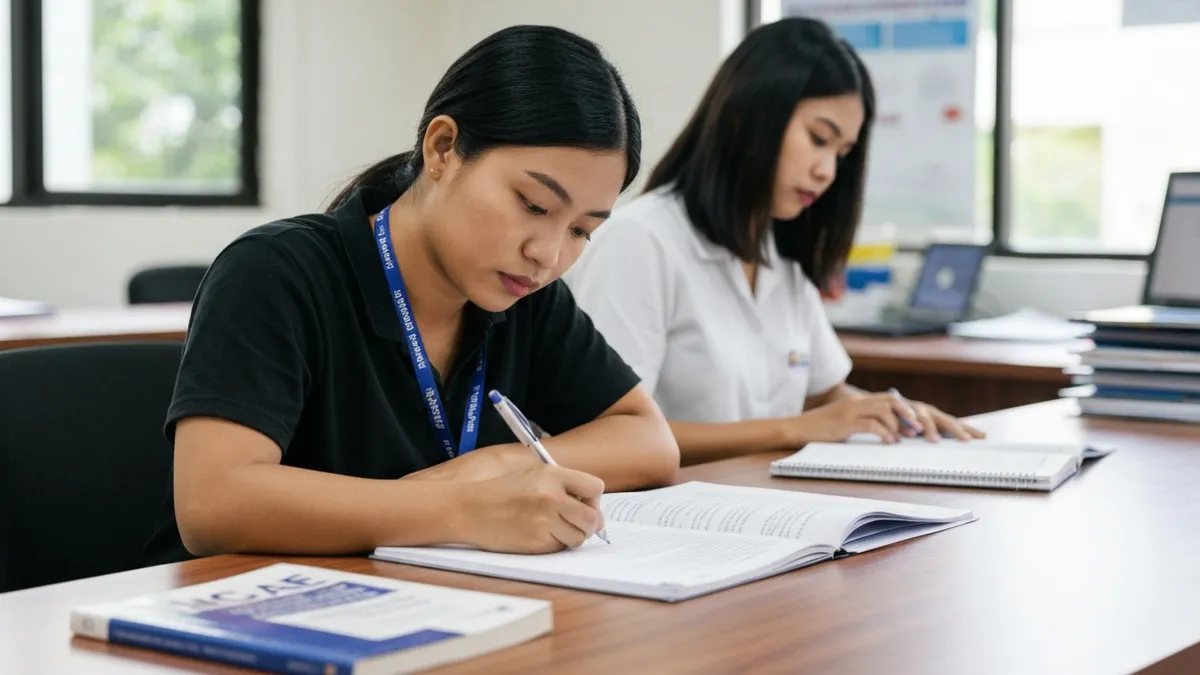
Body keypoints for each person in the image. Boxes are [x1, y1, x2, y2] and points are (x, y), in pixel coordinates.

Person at [142, 25, 680, 565]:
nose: (548, 254)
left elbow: (649, 441)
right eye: (534, 205)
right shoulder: (277, 270)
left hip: (414, 599)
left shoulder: (524, 296)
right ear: (443, 148)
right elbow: (212, 505)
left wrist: (493, 466)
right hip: (238, 611)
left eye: (581, 231)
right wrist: (462, 507)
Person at [564, 17, 983, 466]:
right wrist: (793, 429)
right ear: (747, 116)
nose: (827, 171)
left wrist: (896, 413)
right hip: (673, 513)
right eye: (818, 139)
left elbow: (826, 395)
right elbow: (612, 434)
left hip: (769, 505)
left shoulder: (778, 253)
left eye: (841, 154)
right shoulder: (640, 241)